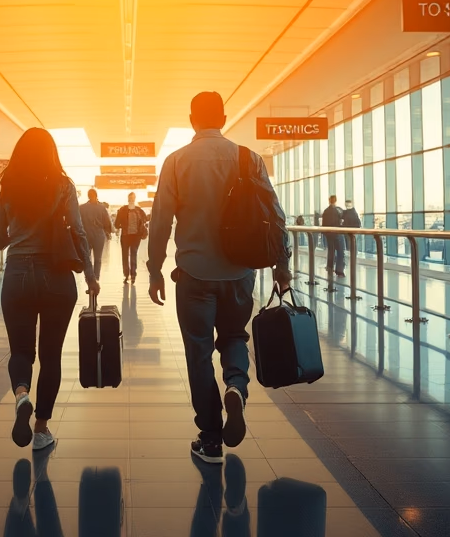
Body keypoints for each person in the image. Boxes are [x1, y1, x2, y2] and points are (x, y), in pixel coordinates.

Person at [148, 91, 291, 464]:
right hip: (241, 271)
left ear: (192, 119)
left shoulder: (177, 161)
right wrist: (281, 264)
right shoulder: (249, 158)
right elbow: (275, 215)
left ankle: (210, 437)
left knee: (197, 353)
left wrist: (153, 269)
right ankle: (236, 387)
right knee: (234, 336)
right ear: (224, 117)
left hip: (194, 273)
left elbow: (160, 220)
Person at [0, 128, 99, 451]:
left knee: (21, 351)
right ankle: (41, 429)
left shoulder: (8, 187)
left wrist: (18, 228)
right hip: (56, 277)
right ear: (52, 154)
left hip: (18, 274)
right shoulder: (64, 187)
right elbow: (79, 234)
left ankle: (22, 394)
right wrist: (91, 276)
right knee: (51, 356)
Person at [79, 189, 112, 282]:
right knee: (98, 259)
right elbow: (107, 223)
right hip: (99, 236)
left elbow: (78, 222)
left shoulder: (81, 208)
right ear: (96, 196)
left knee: (87, 258)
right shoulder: (102, 208)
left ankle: (89, 278)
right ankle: (96, 278)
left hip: (86, 236)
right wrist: (108, 232)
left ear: (88, 196)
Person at [115, 192, 148, 284]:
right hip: (132, 236)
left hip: (128, 236)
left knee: (128, 255)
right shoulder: (139, 211)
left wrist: (121, 225)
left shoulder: (123, 210)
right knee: (131, 255)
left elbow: (116, 224)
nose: (131, 200)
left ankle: (128, 275)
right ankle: (131, 275)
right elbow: (117, 224)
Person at [321, 195, 346, 278]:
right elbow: (340, 222)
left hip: (329, 235)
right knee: (340, 252)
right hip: (337, 234)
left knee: (331, 251)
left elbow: (323, 225)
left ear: (329, 200)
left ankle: (330, 267)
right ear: (336, 200)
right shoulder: (338, 211)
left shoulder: (326, 211)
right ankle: (339, 271)